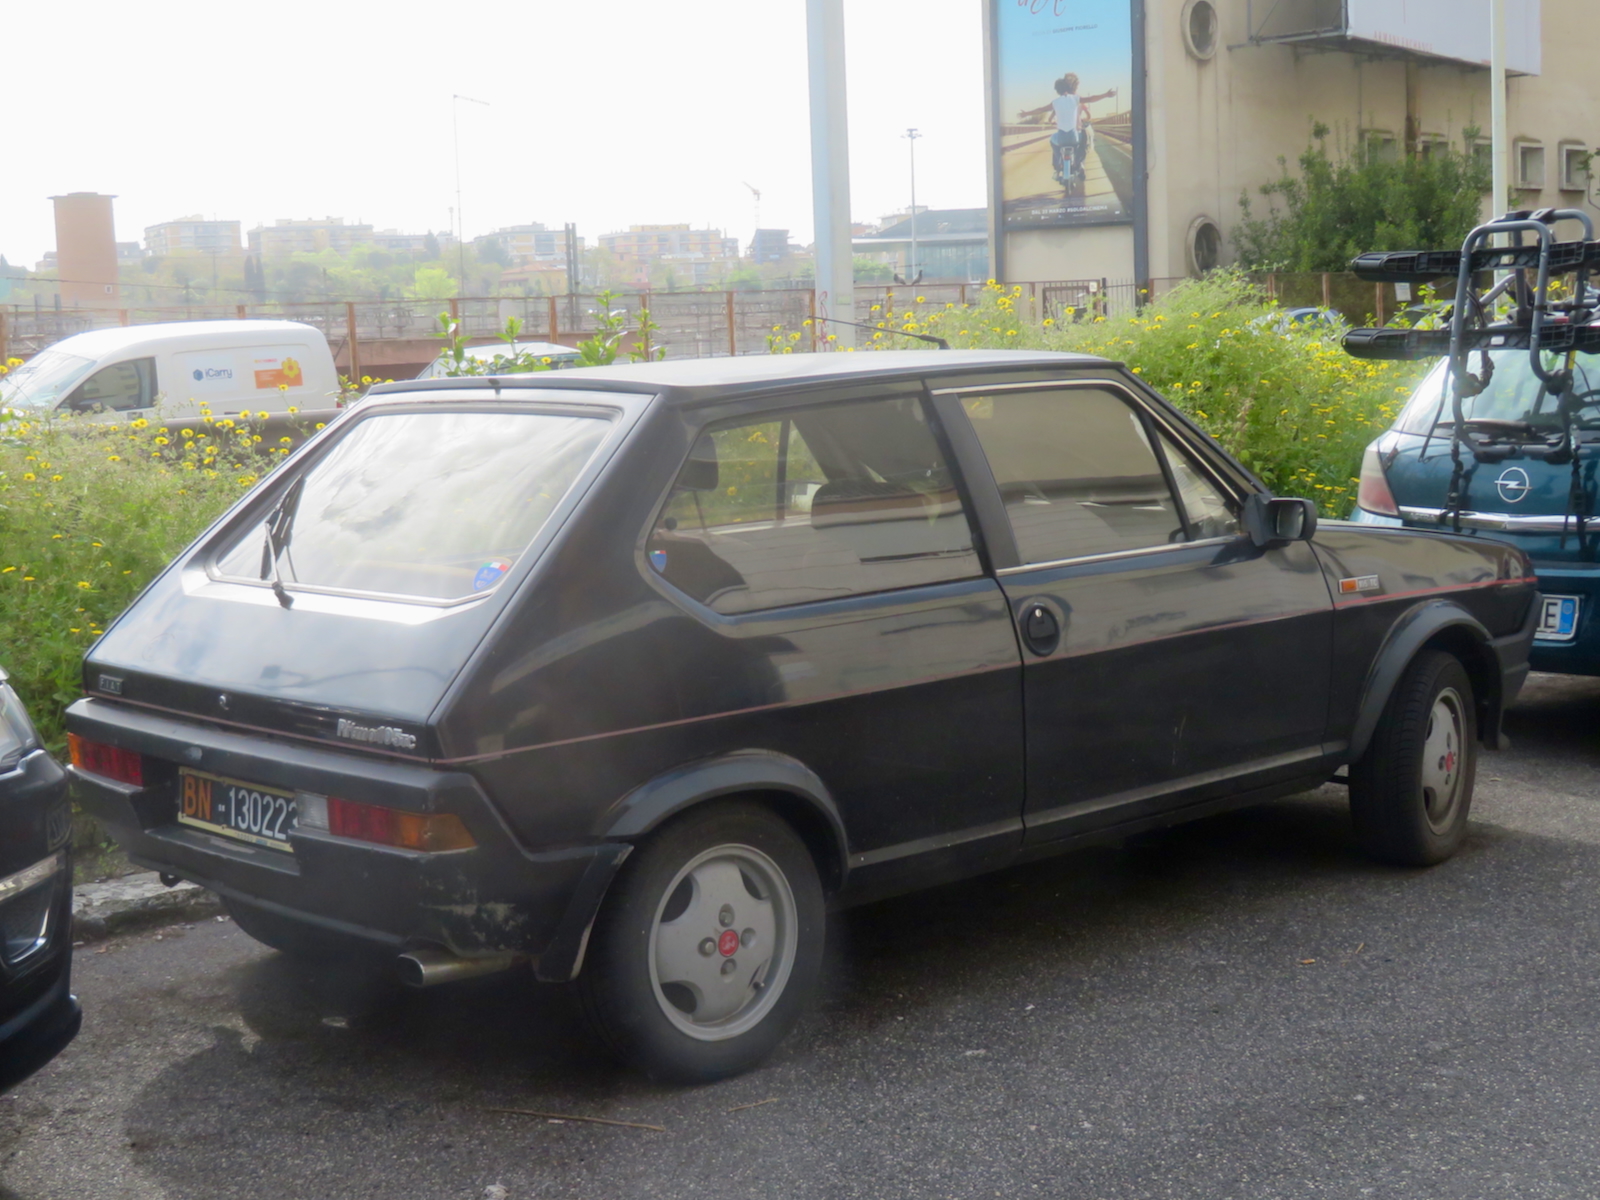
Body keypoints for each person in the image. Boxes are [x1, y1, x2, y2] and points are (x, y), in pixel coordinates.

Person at [1019, 74, 1117, 184]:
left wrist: (1026, 113)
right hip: (1073, 137)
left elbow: (1040, 110)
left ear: (1057, 90)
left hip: (1061, 139)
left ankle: (1058, 160)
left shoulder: (1055, 102)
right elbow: (1091, 98)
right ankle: (1079, 163)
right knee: (1084, 140)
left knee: (1052, 140)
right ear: (1070, 87)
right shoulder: (1075, 99)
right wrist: (1106, 95)